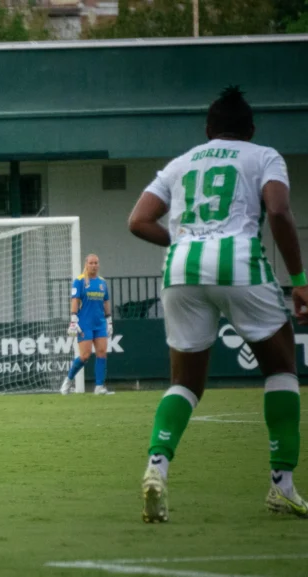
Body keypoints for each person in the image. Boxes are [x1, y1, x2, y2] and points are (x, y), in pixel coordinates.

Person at [128, 86, 308, 522]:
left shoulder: (181, 162)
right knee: (282, 369)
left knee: (185, 382)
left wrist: (189, 241)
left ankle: (157, 467)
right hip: (238, 264)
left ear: (208, 131)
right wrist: (299, 280)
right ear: (250, 130)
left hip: (181, 267)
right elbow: (280, 212)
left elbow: (137, 221)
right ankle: (281, 486)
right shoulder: (263, 156)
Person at [59, 254, 114, 395]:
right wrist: (73, 319)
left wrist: (109, 320)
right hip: (85, 323)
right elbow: (75, 300)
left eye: (96, 263)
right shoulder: (79, 281)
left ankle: (99, 387)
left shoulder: (102, 282)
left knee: (102, 353)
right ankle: (68, 380)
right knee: (85, 355)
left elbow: (106, 301)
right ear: (86, 264)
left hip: (100, 323)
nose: (94, 265)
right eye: (91, 263)